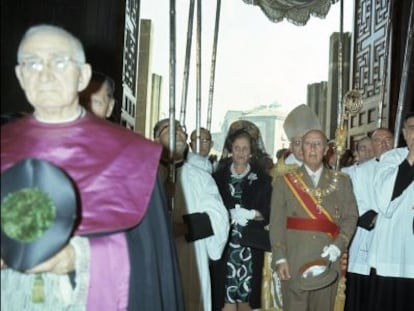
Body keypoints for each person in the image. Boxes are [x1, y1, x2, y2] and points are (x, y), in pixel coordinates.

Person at [1, 24, 183, 311]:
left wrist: (77, 258)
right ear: (20, 75)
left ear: (83, 76)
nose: (45, 75)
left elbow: (149, 263)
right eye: (32, 63)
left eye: (59, 61)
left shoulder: (132, 156)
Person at [270, 129, 358, 311]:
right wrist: (279, 258)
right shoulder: (284, 182)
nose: (312, 148)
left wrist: (339, 245)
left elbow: (350, 217)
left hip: (327, 262)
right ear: (301, 148)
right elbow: (276, 223)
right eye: (308, 143)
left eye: (318, 144)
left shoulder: (341, 181)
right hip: (294, 262)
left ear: (326, 149)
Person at [154, 118, 229, 311]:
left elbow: (219, 218)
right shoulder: (143, 173)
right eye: (169, 129)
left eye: (181, 129)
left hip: (190, 256)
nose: (177, 132)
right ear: (155, 139)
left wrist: (184, 227)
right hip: (153, 257)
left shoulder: (201, 177)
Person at [211, 127, 272, 311]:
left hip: (249, 247)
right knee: (225, 297)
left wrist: (253, 214)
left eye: (245, 148)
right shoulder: (217, 177)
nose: (241, 153)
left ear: (251, 152)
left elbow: (269, 211)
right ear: (230, 150)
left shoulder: (262, 179)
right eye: (237, 148)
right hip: (225, 245)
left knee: (247, 298)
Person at [366, 113, 414, 311]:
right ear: (404, 133)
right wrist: (412, 157)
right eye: (412, 128)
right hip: (394, 254)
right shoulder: (392, 158)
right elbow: (385, 200)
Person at [344, 128, 394, 311]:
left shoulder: (405, 165)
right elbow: (355, 202)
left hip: (395, 245)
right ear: (372, 145)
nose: (384, 144)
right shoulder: (360, 172)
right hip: (368, 238)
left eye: (388, 139)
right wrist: (384, 220)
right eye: (378, 140)